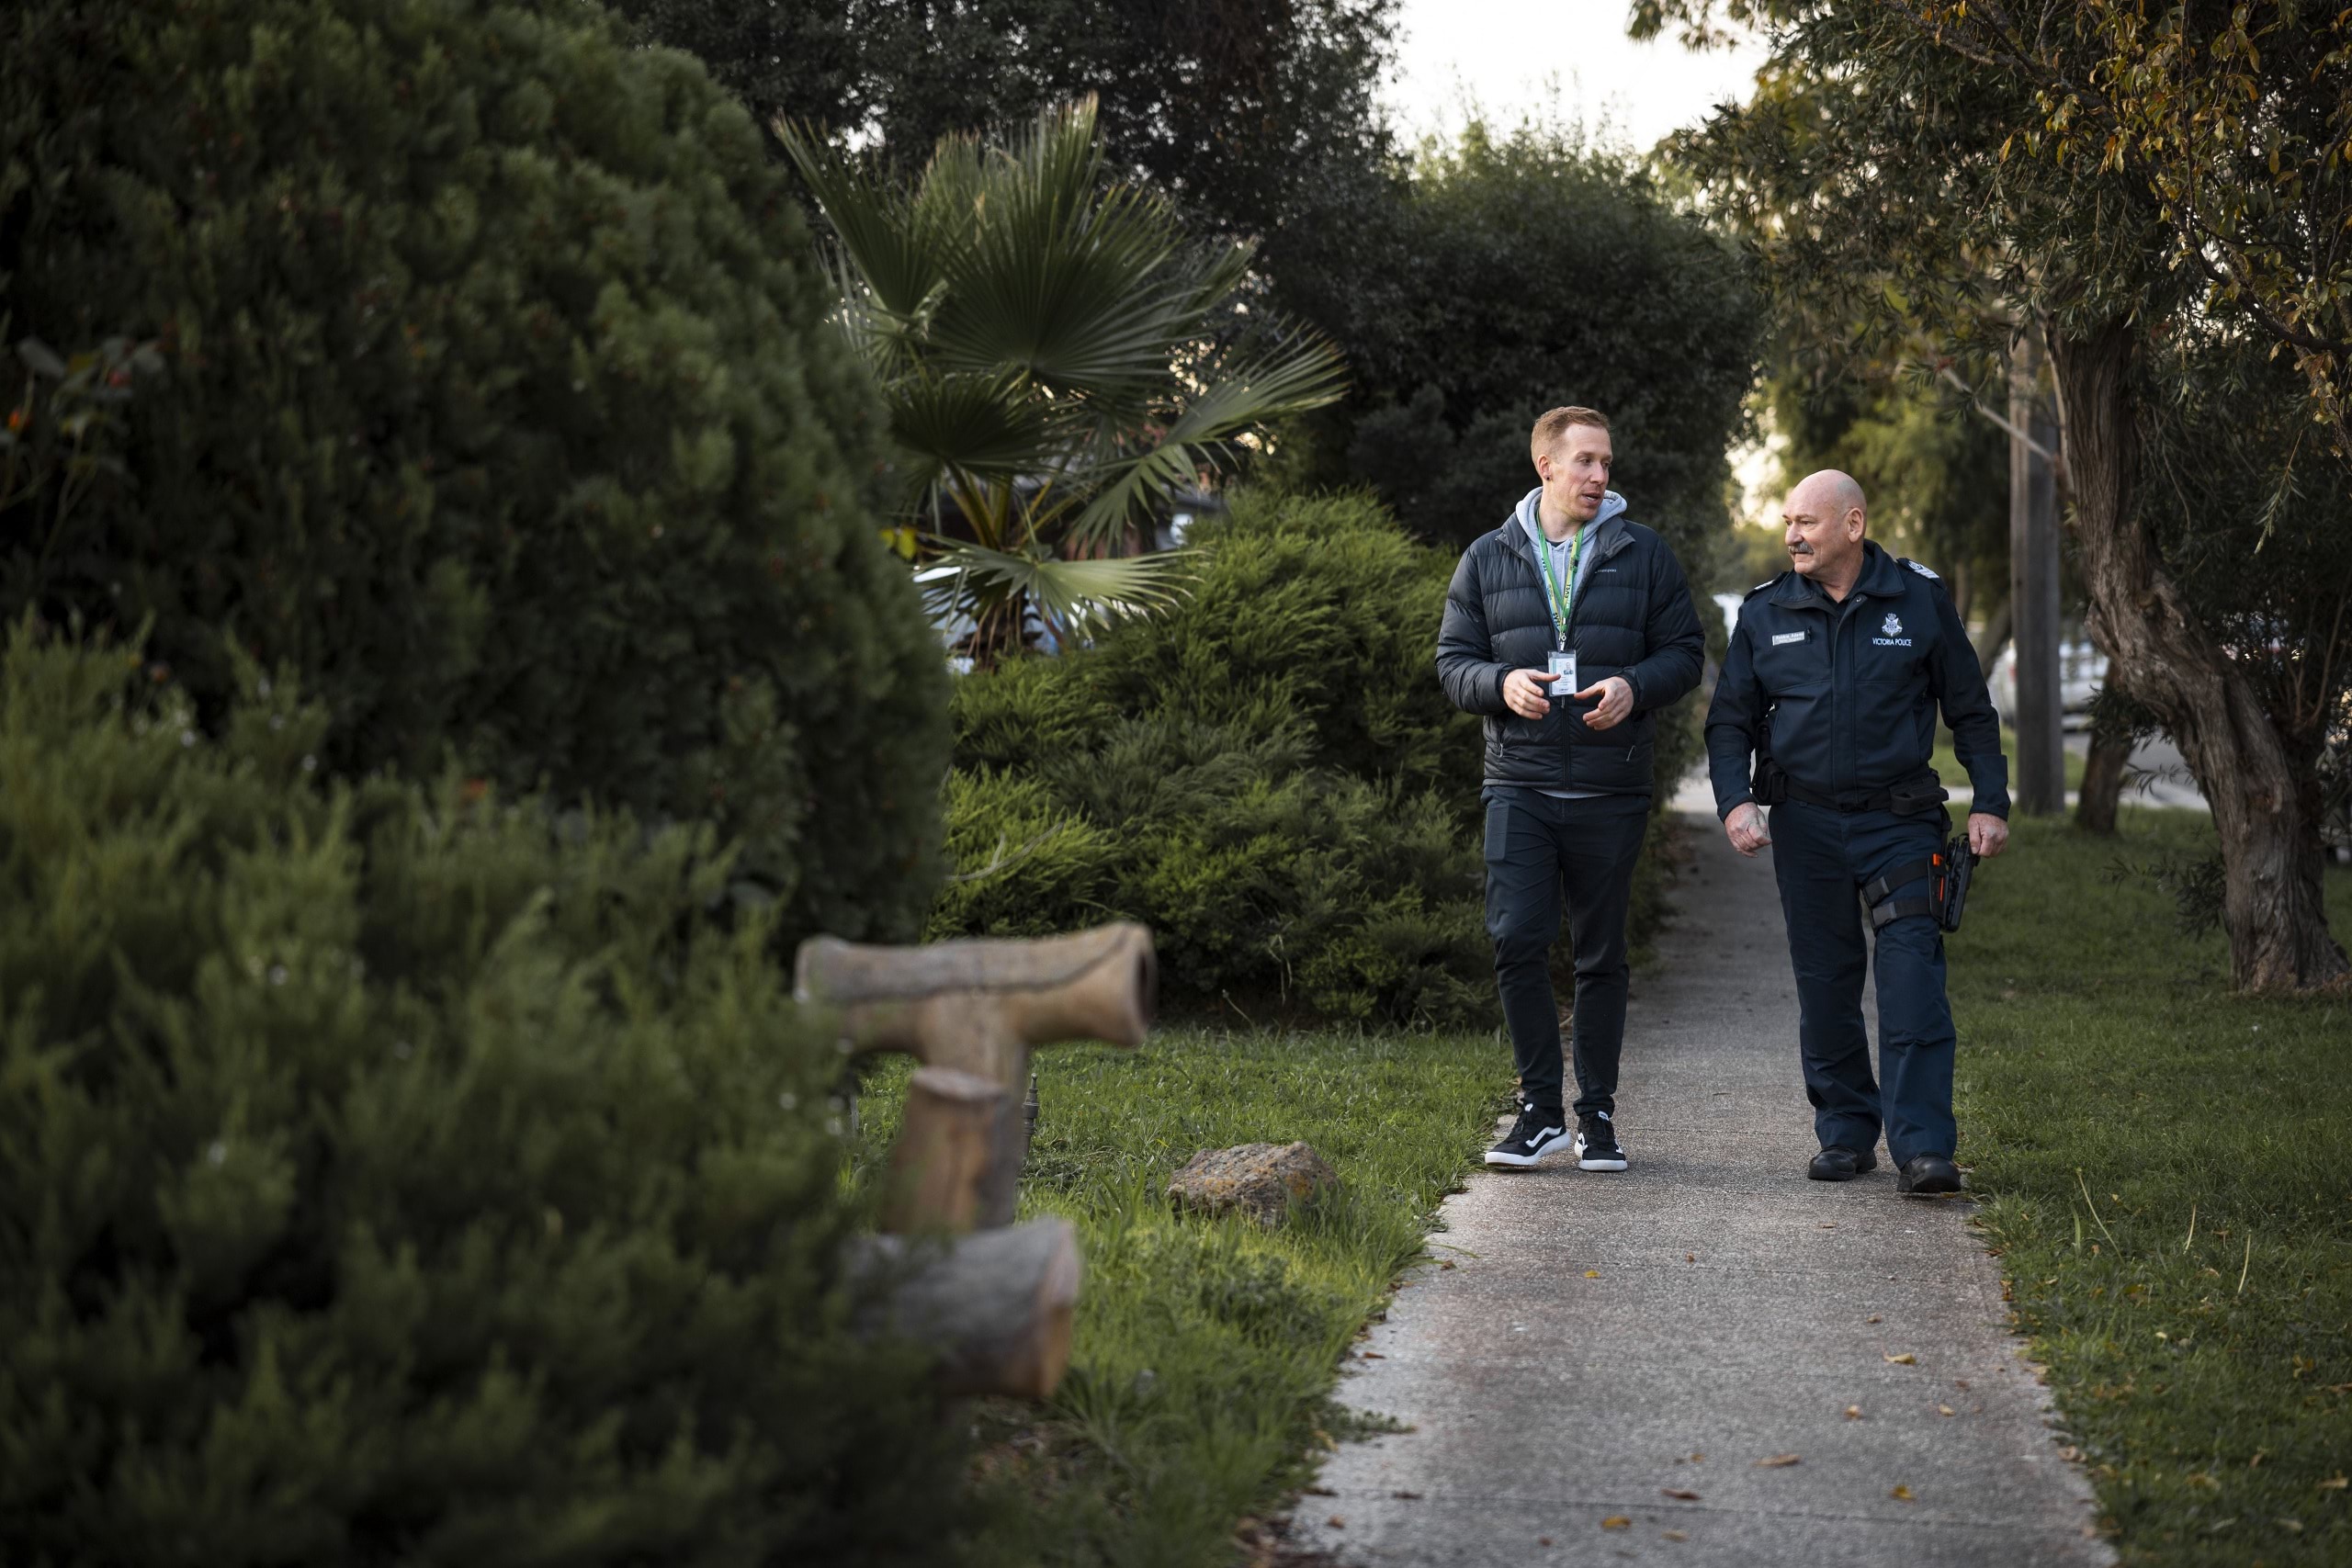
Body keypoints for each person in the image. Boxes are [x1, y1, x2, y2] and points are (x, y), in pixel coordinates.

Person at [1705, 469, 2010, 1196]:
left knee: (1911, 981)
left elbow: (1970, 709)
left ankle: (1925, 1147)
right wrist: (1734, 801)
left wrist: (1990, 801)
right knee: (1826, 984)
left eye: (1807, 522)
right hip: (1806, 825)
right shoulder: (1764, 611)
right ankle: (1845, 1131)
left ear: (1853, 524)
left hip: (1900, 825)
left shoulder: (1919, 599)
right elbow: (1729, 721)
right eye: (1787, 522)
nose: (1792, 536)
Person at [1436, 407, 1705, 1171]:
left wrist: (1633, 685)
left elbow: (1685, 651)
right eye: (1585, 461)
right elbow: (1452, 661)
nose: (1599, 476)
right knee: (1517, 939)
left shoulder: (1642, 552)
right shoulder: (1488, 558)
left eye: (1607, 463)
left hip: (1608, 789)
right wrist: (1498, 682)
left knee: (1600, 956)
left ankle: (1597, 1116)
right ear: (1545, 466)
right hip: (1517, 787)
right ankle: (1538, 1111)